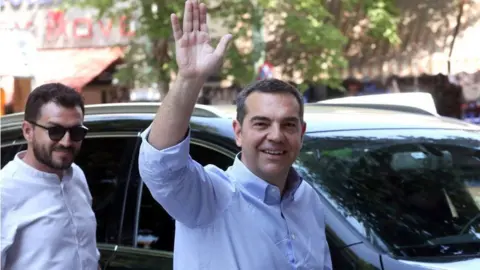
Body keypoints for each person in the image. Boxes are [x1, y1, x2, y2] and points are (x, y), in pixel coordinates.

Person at [138, 0, 332, 269]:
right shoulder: (210, 197)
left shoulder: (307, 199)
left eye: (288, 125)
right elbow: (161, 165)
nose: (275, 136)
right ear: (238, 133)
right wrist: (189, 79)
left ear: (301, 133)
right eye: (261, 124)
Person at [1, 83, 100, 270]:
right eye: (55, 131)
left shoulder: (76, 175)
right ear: (28, 131)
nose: (66, 141)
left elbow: (88, 254)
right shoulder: (5, 190)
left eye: (76, 132)